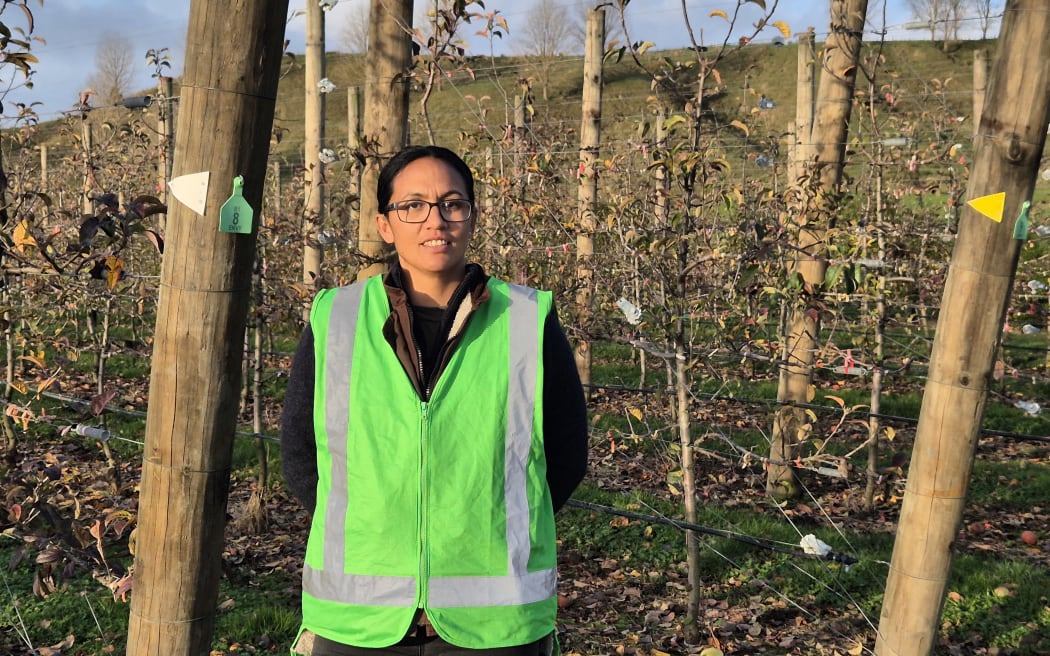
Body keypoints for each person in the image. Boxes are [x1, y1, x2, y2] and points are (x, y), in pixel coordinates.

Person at [281, 144, 589, 655]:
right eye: (413, 205)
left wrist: (488, 522)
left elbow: (565, 456)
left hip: (495, 626)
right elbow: (300, 455)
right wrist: (376, 524)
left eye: (452, 203)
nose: (436, 220)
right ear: (385, 224)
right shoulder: (335, 317)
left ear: (472, 216)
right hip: (357, 621)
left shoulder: (527, 319)